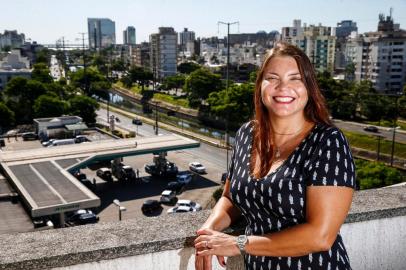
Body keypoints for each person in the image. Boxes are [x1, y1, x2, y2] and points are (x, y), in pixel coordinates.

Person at [194, 42, 356, 270]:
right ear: (260, 86)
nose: (283, 87)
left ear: (309, 87)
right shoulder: (246, 134)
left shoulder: (327, 141)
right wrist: (209, 231)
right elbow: (231, 199)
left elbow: (320, 236)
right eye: (272, 78)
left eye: (295, 78)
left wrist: (239, 243)